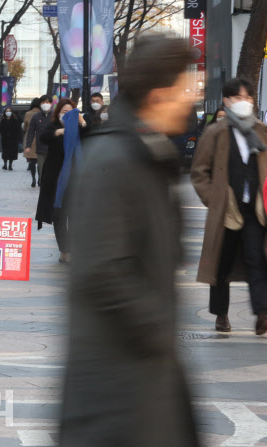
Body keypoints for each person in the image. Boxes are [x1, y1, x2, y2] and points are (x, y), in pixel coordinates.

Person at [60, 35, 199, 446]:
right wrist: (156, 328)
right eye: (185, 90)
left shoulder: (147, 154)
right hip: (116, 392)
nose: (191, 100)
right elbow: (100, 270)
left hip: (145, 379)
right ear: (158, 96)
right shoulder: (115, 160)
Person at [191, 78, 267, 335]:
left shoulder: (261, 130)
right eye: (238, 98)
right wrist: (213, 199)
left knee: (257, 259)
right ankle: (221, 314)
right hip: (227, 210)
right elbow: (200, 172)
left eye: (248, 98)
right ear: (226, 101)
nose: (244, 103)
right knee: (221, 263)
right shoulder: (215, 132)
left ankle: (262, 312)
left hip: (256, 209)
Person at [36, 99, 86, 264]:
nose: (67, 115)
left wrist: (83, 123)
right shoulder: (53, 127)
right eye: (64, 112)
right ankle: (64, 250)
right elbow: (43, 137)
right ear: (58, 114)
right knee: (59, 216)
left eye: (70, 112)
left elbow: (91, 137)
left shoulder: (81, 128)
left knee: (74, 216)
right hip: (56, 180)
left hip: (76, 179)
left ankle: (72, 249)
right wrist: (58, 132)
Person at [26, 95, 54, 183]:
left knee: (51, 168)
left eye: (47, 102)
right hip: (40, 148)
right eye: (43, 103)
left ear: (51, 104)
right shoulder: (36, 116)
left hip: (53, 148)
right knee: (41, 167)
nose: (45, 104)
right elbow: (30, 131)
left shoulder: (55, 116)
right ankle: (42, 181)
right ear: (40, 104)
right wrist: (28, 146)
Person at [23, 98, 42, 187]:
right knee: (40, 160)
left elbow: (25, 127)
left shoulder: (28, 113)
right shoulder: (43, 114)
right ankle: (40, 179)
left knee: (32, 161)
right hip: (41, 139)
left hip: (30, 139)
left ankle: (33, 179)